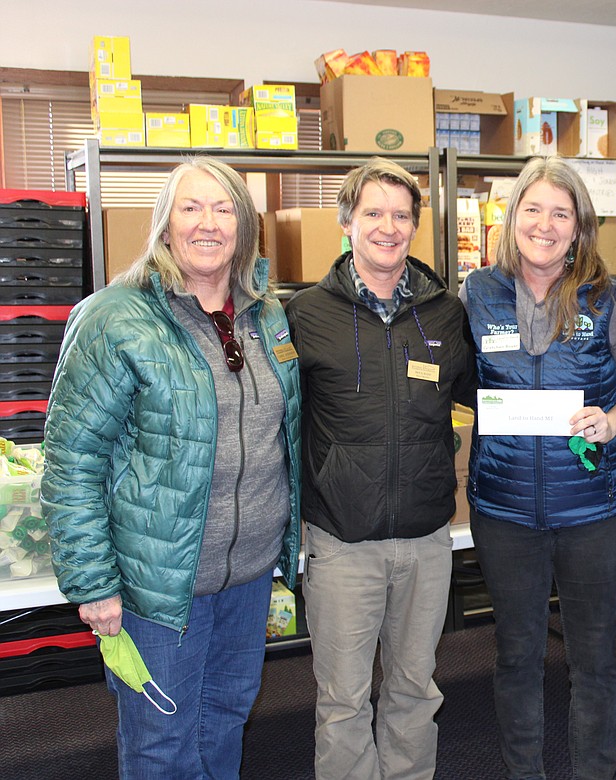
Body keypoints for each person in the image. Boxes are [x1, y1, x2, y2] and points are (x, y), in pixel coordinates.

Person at [42, 157, 301, 778]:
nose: (208, 223)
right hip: (154, 588)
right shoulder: (114, 318)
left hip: (246, 577)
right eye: (191, 207)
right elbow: (70, 462)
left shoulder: (266, 314)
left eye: (223, 209)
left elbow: (282, 436)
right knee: (162, 742)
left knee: (225, 722)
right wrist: (93, 583)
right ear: (165, 223)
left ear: (244, 225)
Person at [460, 155, 616, 780]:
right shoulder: (476, 293)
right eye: (533, 209)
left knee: (593, 656)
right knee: (517, 653)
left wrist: (612, 422)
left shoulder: (610, 300)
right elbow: (460, 382)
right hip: (505, 511)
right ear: (513, 217)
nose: (544, 224)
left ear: (579, 227)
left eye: (560, 213)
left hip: (595, 510)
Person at [286, 157, 476, 780]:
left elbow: (487, 398)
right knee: (342, 702)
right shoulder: (306, 313)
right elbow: (278, 420)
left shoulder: (447, 314)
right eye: (373, 213)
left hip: (425, 538)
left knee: (415, 690)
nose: (387, 227)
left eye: (401, 215)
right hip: (341, 542)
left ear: (416, 226)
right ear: (347, 222)